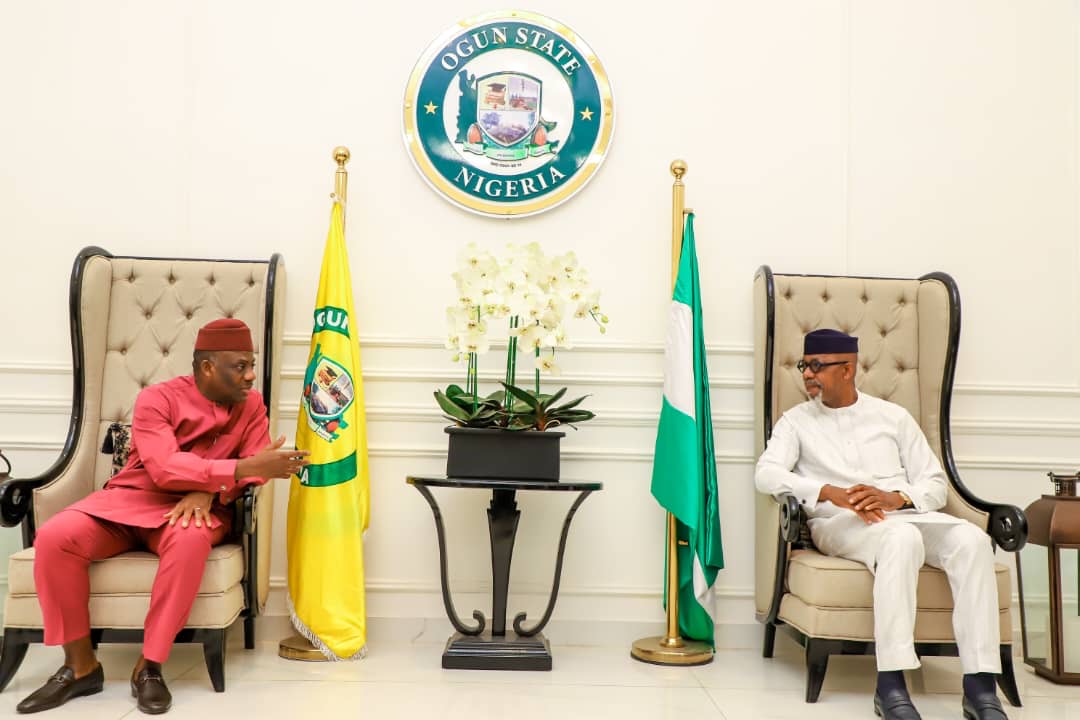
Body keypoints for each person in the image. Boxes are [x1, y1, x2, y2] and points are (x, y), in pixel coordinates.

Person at [16, 318, 309, 715]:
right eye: (240, 366)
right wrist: (232, 471)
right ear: (207, 367)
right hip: (132, 501)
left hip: (196, 511)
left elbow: (257, 470)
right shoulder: (156, 398)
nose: (251, 376)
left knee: (189, 540)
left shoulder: (251, 404)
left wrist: (208, 489)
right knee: (55, 537)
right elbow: (164, 468)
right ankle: (80, 664)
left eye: (252, 364)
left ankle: (150, 666)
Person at [754, 329, 1007, 720]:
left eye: (817, 366)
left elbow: (935, 485)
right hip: (840, 524)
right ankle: (891, 685)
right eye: (805, 365)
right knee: (901, 539)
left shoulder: (893, 417)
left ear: (848, 368)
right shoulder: (796, 423)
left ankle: (981, 686)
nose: (807, 374)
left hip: (906, 514)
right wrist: (828, 491)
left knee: (973, 540)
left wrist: (897, 498)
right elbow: (766, 475)